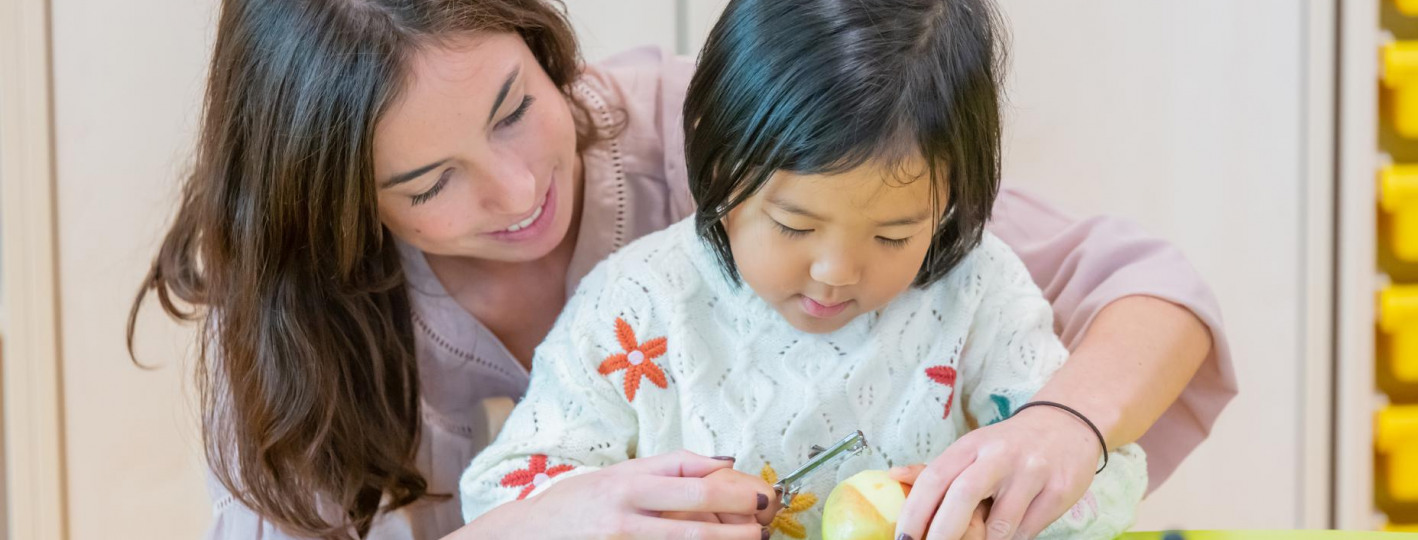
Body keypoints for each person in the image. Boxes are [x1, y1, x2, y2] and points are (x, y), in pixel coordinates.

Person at [129, 0, 1235, 538]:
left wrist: (1065, 427)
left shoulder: (717, 144)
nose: (518, 194)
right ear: (330, 207)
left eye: (519, 110)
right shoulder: (298, 311)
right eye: (429, 185)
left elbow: (1142, 285)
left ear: (541, 42)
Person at [458, 0, 1145, 538]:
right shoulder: (638, 304)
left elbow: (1102, 484)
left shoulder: (975, 292)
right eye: (793, 225)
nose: (835, 272)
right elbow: (502, 494)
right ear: (718, 165)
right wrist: (628, 513)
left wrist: (994, 511)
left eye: (895, 233)